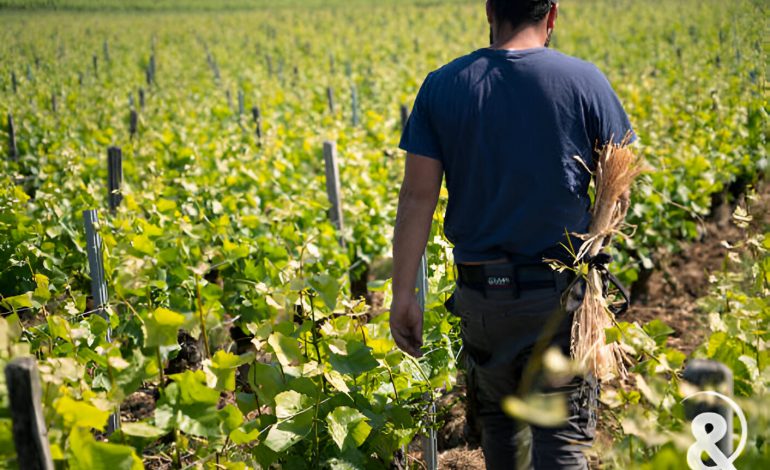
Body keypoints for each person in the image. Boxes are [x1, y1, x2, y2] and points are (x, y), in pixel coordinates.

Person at [389, 0, 636, 468]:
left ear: (488, 11)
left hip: (483, 301)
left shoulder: (443, 85)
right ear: (553, 15)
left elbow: (417, 197)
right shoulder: (585, 81)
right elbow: (618, 189)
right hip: (561, 299)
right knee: (561, 442)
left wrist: (404, 294)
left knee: (503, 434)